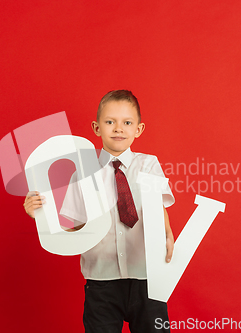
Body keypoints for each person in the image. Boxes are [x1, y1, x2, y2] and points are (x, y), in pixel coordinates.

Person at [23, 90, 175, 332]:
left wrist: (167, 235)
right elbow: (74, 225)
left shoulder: (148, 164)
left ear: (139, 129)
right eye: (110, 122)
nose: (118, 128)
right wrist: (41, 214)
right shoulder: (82, 172)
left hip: (147, 277)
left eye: (127, 123)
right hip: (101, 281)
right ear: (96, 128)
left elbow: (158, 208)